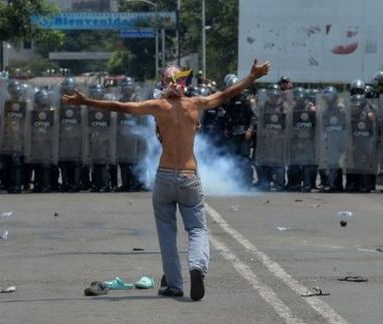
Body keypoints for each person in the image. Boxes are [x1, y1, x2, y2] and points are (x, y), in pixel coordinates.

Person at [63, 59, 272, 301]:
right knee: (197, 229)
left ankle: (174, 284)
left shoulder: (157, 106)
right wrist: (252, 76)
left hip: (163, 176)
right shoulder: (195, 104)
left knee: (166, 233)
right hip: (188, 175)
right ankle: (197, 267)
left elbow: (119, 106)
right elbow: (227, 94)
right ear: (183, 83)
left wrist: (86, 101)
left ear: (164, 83)